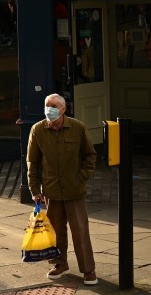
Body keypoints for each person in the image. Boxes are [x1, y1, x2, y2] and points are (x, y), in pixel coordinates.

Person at [27, 93, 98, 285]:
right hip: (51, 191)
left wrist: (80, 178)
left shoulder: (77, 127)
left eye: (53, 106)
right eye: (46, 106)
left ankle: (88, 269)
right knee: (56, 231)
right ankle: (59, 264)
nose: (48, 110)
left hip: (74, 190)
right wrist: (34, 190)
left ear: (63, 109)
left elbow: (90, 156)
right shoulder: (37, 130)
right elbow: (32, 162)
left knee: (80, 230)